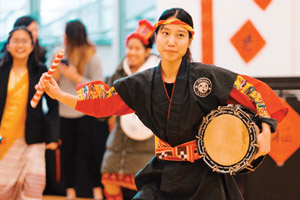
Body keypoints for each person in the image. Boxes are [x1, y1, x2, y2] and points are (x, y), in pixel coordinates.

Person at [37, 8, 288, 200]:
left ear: (189, 41)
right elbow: (104, 102)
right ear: (156, 37)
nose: (171, 41)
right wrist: (59, 95)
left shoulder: (207, 77)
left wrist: (265, 129)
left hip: (206, 177)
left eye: (180, 35)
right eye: (165, 34)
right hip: (163, 173)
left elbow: (253, 91)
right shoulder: (141, 83)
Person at [101, 19, 159, 200]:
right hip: (118, 139)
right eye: (129, 48)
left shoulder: (158, 74)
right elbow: (108, 105)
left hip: (146, 141)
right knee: (108, 179)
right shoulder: (119, 73)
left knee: (143, 186)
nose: (132, 53)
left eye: (137, 48)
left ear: (147, 52)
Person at [0, 26, 59, 199]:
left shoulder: (41, 71)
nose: (20, 45)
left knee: (33, 189)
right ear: (8, 45)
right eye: (15, 41)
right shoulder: (1, 71)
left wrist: (53, 137)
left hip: (34, 139)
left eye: (25, 41)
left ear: (32, 45)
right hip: (4, 139)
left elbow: (53, 105)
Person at [52, 19, 106, 200]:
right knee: (67, 152)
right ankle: (70, 191)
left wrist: (77, 77)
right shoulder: (58, 54)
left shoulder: (92, 55)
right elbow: (52, 85)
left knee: (91, 151)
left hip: (85, 112)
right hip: (64, 112)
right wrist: (58, 72)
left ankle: (97, 189)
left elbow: (100, 88)